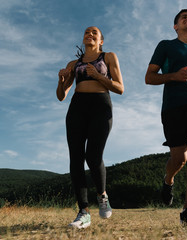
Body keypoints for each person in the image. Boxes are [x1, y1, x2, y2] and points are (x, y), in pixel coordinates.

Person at [145, 9, 187, 227]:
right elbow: (149, 78)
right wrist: (174, 76)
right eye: (184, 17)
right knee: (179, 158)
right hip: (173, 107)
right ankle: (168, 180)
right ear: (175, 26)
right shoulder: (166, 46)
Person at [57, 26, 124, 229]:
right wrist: (61, 81)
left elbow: (120, 87)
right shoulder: (73, 63)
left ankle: (102, 195)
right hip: (77, 107)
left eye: (95, 32)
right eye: (87, 32)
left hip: (101, 106)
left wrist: (97, 75)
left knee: (93, 156)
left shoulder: (109, 57)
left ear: (101, 41)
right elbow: (61, 95)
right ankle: (83, 211)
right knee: (75, 157)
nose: (90, 34)